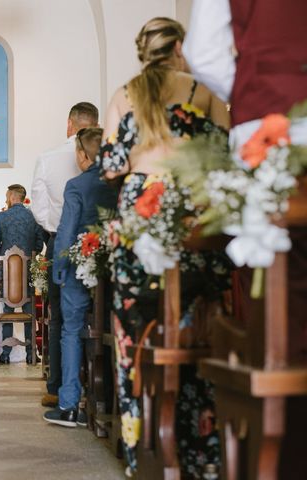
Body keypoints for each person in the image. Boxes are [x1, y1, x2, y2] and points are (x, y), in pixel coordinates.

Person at [98, 17, 230, 478]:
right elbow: (224, 155)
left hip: (139, 215)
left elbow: (111, 167)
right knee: (199, 331)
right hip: (190, 211)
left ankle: (141, 449)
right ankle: (200, 450)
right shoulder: (203, 92)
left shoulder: (124, 95)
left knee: (134, 334)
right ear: (179, 49)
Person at [183, 2, 307, 476]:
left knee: (281, 311)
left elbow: (205, 50)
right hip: (266, 115)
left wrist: (256, 87)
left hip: (269, 123)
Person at [43, 128, 119, 427]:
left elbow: (66, 230)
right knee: (111, 330)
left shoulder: (76, 185)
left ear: (83, 155)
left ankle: (70, 405)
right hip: (112, 269)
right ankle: (110, 399)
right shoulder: (118, 183)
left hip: (79, 266)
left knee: (72, 331)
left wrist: (59, 269)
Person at [31, 102, 99, 407]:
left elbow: (40, 209)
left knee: (59, 317)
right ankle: (98, 384)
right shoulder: (109, 157)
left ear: (70, 124)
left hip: (61, 239)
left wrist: (59, 231)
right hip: (103, 241)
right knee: (99, 314)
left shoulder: (48, 158)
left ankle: (59, 386)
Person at [0, 184, 44, 365]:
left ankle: (5, 353)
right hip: (27, 274)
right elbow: (39, 245)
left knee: (7, 310)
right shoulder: (33, 217)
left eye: (7, 196)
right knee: (29, 312)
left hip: (7, 275)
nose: (6, 199)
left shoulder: (2, 217)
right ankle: (30, 353)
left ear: (12, 197)